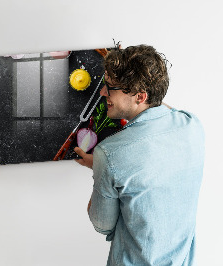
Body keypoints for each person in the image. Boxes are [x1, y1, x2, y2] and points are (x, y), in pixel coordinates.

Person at [74, 45, 204, 265]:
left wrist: (101, 169)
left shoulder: (109, 153)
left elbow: (102, 225)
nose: (103, 92)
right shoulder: (192, 125)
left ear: (140, 96)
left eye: (111, 87)